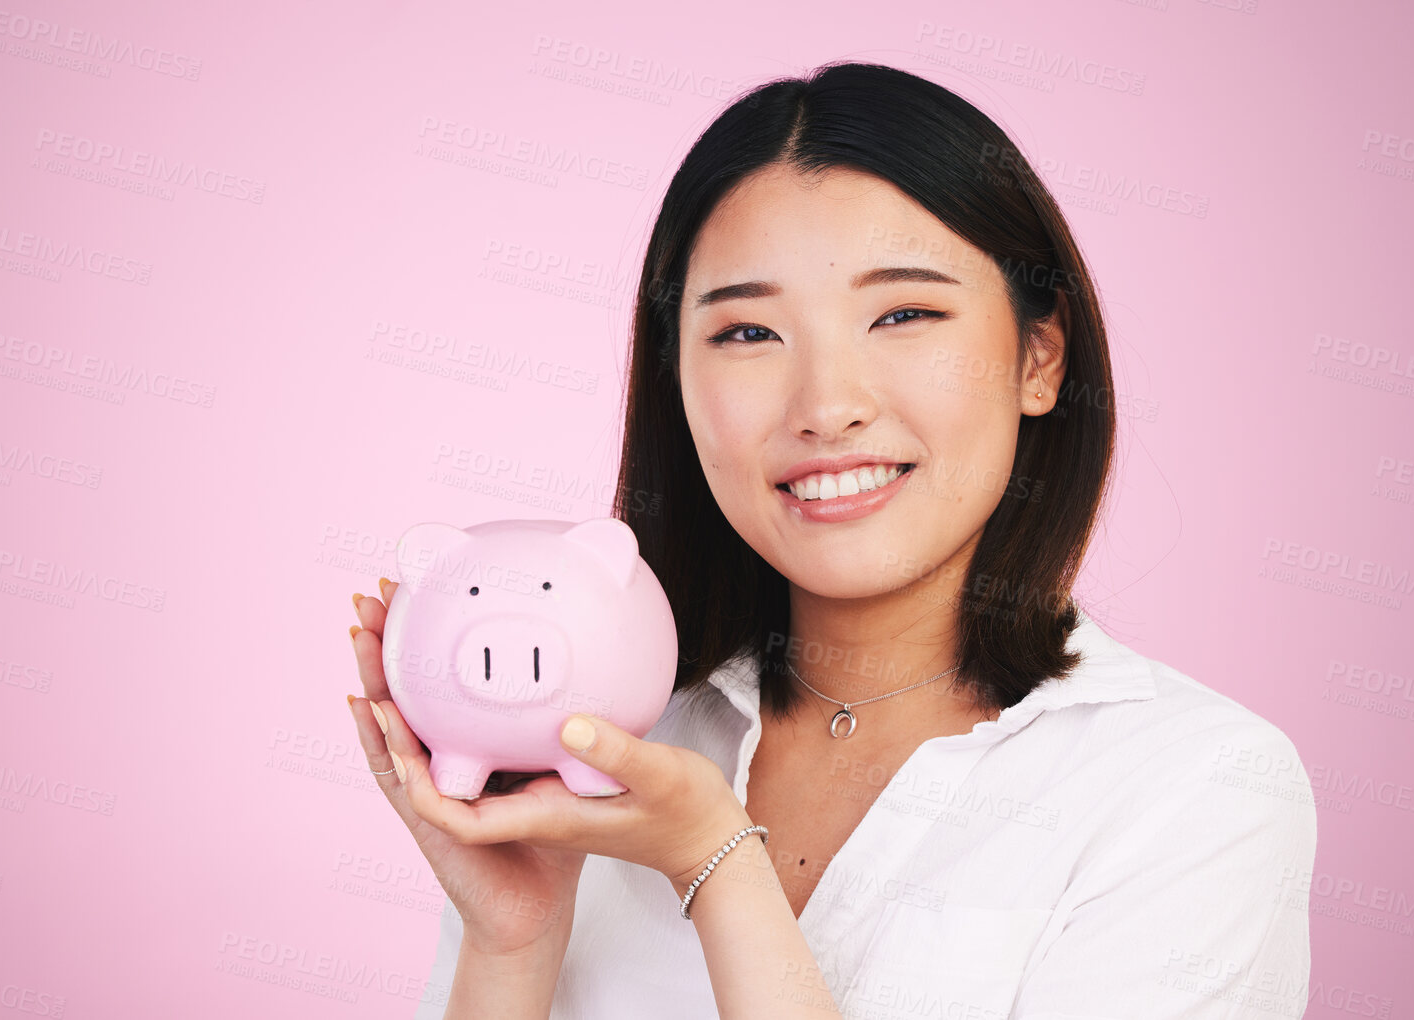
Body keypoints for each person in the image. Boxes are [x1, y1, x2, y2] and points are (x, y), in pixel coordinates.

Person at [344, 61, 1316, 1020]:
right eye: (747, 335)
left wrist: (715, 863)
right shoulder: (608, 745)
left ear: (1039, 356)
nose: (826, 408)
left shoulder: (1194, 789)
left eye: (903, 314)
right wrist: (512, 943)